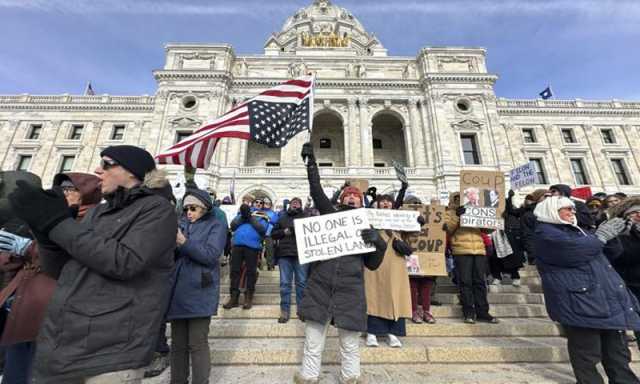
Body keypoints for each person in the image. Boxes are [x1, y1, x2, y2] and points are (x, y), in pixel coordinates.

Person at [8, 145, 177, 383]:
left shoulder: (157, 209)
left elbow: (124, 261)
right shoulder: (98, 213)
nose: (99, 170)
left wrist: (58, 225)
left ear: (132, 171)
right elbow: (62, 269)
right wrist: (45, 231)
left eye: (107, 164)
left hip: (112, 349)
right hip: (67, 343)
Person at [294, 142, 386, 384]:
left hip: (350, 290)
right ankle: (308, 377)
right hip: (320, 286)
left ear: (362, 203)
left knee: (350, 344)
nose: (353, 198)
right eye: (349, 195)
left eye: (357, 197)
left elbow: (374, 265)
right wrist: (311, 163)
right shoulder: (330, 215)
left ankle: (351, 378)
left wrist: (379, 243)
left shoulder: (368, 226)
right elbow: (316, 191)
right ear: (342, 199)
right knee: (313, 342)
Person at [533, 196, 640, 384]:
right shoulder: (546, 234)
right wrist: (602, 236)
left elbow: (611, 253)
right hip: (579, 303)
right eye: (567, 209)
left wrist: (613, 235)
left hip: (605, 299)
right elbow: (575, 252)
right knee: (587, 356)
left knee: (618, 355)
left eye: (573, 209)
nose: (572, 212)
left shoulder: (580, 230)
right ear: (551, 211)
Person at [166, 188, 227, 384]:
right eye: (186, 209)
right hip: (178, 291)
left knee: (197, 342)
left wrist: (183, 242)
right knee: (177, 344)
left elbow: (211, 255)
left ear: (203, 208)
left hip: (200, 290)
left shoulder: (215, 225)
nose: (188, 213)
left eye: (193, 208)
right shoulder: (180, 224)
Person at [364, 194, 413, 348]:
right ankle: (371, 332)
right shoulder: (370, 218)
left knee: (395, 295)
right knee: (373, 295)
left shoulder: (400, 219)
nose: (385, 203)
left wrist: (418, 224)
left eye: (388, 201)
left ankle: (393, 332)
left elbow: (413, 237)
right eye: (382, 201)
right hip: (375, 262)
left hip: (396, 262)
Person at [444, 192, 498, 324]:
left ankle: (483, 312)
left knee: (480, 282)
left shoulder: (476, 209)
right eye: (456, 199)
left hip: (479, 250)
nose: (460, 201)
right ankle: (468, 312)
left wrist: (490, 216)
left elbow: (488, 230)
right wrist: (457, 216)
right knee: (465, 282)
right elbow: (447, 229)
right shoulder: (450, 212)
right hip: (461, 250)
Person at [223, 198, 268, 310]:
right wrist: (244, 216)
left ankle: (248, 297)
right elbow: (233, 226)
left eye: (260, 203)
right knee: (234, 271)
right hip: (237, 245)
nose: (258, 204)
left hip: (252, 247)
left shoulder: (263, 216)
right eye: (256, 202)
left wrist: (250, 218)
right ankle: (234, 297)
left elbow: (263, 230)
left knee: (251, 272)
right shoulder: (240, 215)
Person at [271, 197, 308, 323]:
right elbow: (273, 233)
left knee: (302, 283)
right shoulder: (282, 217)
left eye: (298, 203)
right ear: (290, 205)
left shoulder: (306, 216)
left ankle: (302, 309)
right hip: (285, 255)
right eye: (293, 203)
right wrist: (284, 231)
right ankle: (284, 311)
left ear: (301, 205)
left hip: (301, 254)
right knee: (285, 284)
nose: (295, 205)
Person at [610, 196, 640, 349]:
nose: (639, 216)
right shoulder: (619, 236)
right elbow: (620, 258)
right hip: (633, 286)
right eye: (634, 214)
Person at [261, 197, 278, 271]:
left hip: (269, 234)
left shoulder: (273, 213)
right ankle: (258, 264)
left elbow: (276, 222)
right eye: (265, 203)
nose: (266, 204)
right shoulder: (259, 211)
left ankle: (270, 265)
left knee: (269, 250)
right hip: (259, 233)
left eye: (268, 203)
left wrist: (268, 219)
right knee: (257, 249)